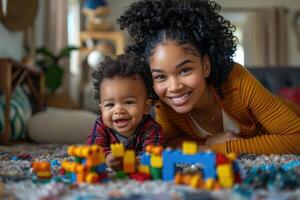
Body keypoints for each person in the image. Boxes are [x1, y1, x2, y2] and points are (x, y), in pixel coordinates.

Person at [117, 0, 300, 154]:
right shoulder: (165, 102)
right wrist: (206, 145)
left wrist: (221, 147)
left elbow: (296, 138)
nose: (173, 87)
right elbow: (165, 144)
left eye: (184, 70)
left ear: (205, 66)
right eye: (160, 77)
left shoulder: (236, 80)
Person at [87, 54, 164, 169]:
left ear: (146, 107)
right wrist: (107, 157)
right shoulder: (101, 125)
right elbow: (94, 147)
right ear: (101, 109)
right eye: (110, 104)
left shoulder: (151, 128)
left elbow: (154, 150)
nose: (118, 110)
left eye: (128, 102)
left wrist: (141, 161)